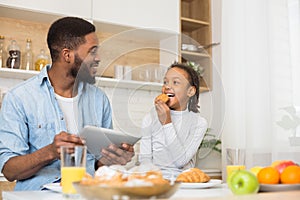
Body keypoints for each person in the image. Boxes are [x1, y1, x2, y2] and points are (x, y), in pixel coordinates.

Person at [0, 17, 134, 191]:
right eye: (92, 52)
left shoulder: (99, 100)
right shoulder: (19, 98)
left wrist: (114, 158)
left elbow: (99, 167)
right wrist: (50, 152)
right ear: (67, 55)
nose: (98, 58)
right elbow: (9, 170)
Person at [139, 63, 208, 178]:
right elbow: (145, 159)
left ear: (190, 91)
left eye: (175, 82)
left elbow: (180, 161)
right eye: (165, 82)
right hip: (156, 181)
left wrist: (167, 122)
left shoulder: (199, 123)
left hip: (184, 182)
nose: (167, 87)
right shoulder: (150, 118)